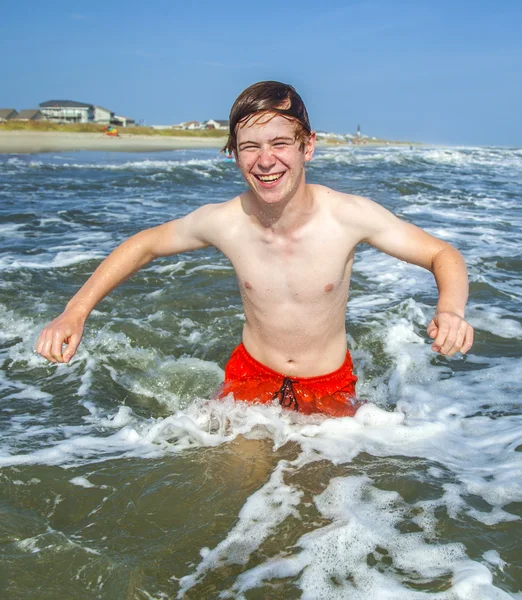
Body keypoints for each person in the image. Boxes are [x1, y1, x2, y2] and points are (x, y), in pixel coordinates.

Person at [36, 81, 474, 418]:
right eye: (250, 147)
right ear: (235, 154)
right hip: (249, 374)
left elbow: (442, 255)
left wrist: (450, 310)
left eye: (280, 143)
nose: (266, 161)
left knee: (328, 503)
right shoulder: (227, 221)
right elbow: (144, 244)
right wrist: (75, 312)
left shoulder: (349, 216)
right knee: (230, 492)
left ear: (308, 146)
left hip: (329, 383)